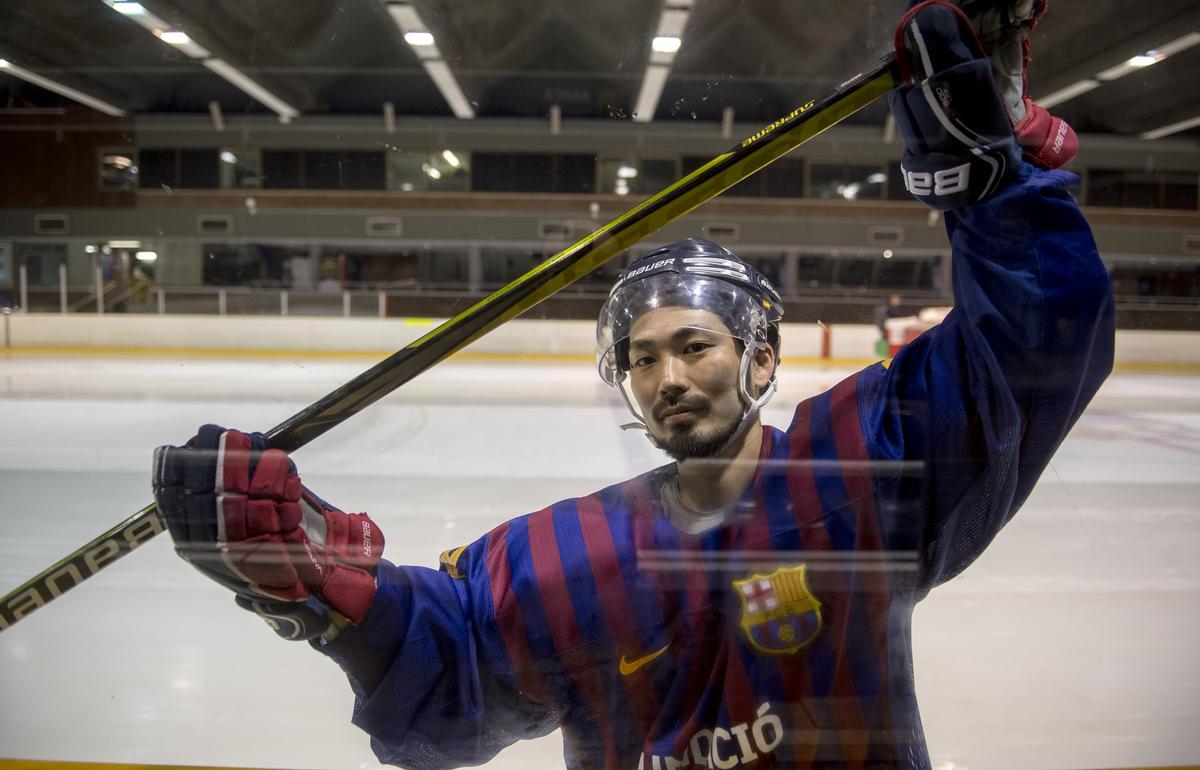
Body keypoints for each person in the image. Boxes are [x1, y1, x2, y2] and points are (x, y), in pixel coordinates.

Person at [151, 2, 1113, 768]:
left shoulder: (861, 475)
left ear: (763, 360)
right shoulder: (565, 553)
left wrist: (994, 190)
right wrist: (328, 599)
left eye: (693, 345)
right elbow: (446, 703)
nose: (666, 377)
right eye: (641, 358)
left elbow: (1028, 351)